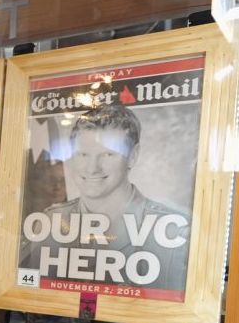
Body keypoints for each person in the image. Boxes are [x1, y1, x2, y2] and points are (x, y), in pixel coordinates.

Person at [21, 103, 190, 293]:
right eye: (83, 154)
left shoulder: (175, 229)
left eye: (108, 154)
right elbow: (31, 304)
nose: (92, 168)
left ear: (133, 156)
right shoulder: (50, 223)